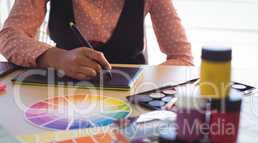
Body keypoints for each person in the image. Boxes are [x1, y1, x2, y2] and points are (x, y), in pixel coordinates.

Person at [0, 0, 193, 80]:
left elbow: (182, 58)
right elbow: (9, 35)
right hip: (61, 92)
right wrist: (56, 58)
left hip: (128, 99)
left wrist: (143, 81)